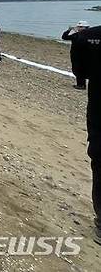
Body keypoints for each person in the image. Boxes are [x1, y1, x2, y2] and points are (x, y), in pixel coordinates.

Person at [71, 25, 101, 245]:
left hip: (99, 112)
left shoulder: (87, 37)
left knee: (99, 164)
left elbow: (80, 70)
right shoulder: (86, 36)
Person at [62, 20, 91, 90]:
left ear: (86, 27)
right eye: (78, 27)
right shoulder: (76, 35)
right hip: (75, 55)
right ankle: (80, 84)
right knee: (76, 70)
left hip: (85, 56)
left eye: (81, 27)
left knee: (81, 70)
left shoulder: (90, 35)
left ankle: (81, 85)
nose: (79, 28)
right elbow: (65, 37)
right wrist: (69, 30)